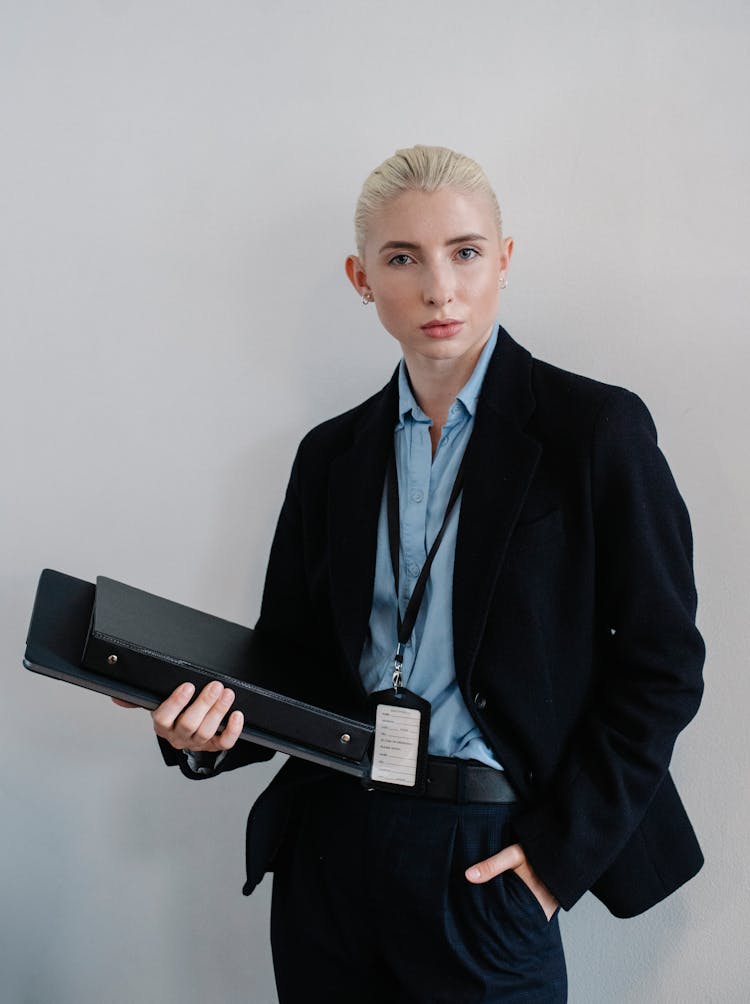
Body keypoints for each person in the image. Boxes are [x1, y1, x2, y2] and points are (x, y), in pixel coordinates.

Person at [115, 145, 705, 1002]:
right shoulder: (330, 456)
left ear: (504, 260)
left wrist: (553, 863)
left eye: (465, 252)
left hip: (488, 855)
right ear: (362, 277)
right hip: (329, 846)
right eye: (403, 258)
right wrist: (200, 735)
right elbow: (294, 667)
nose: (439, 288)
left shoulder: (596, 431)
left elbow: (662, 668)